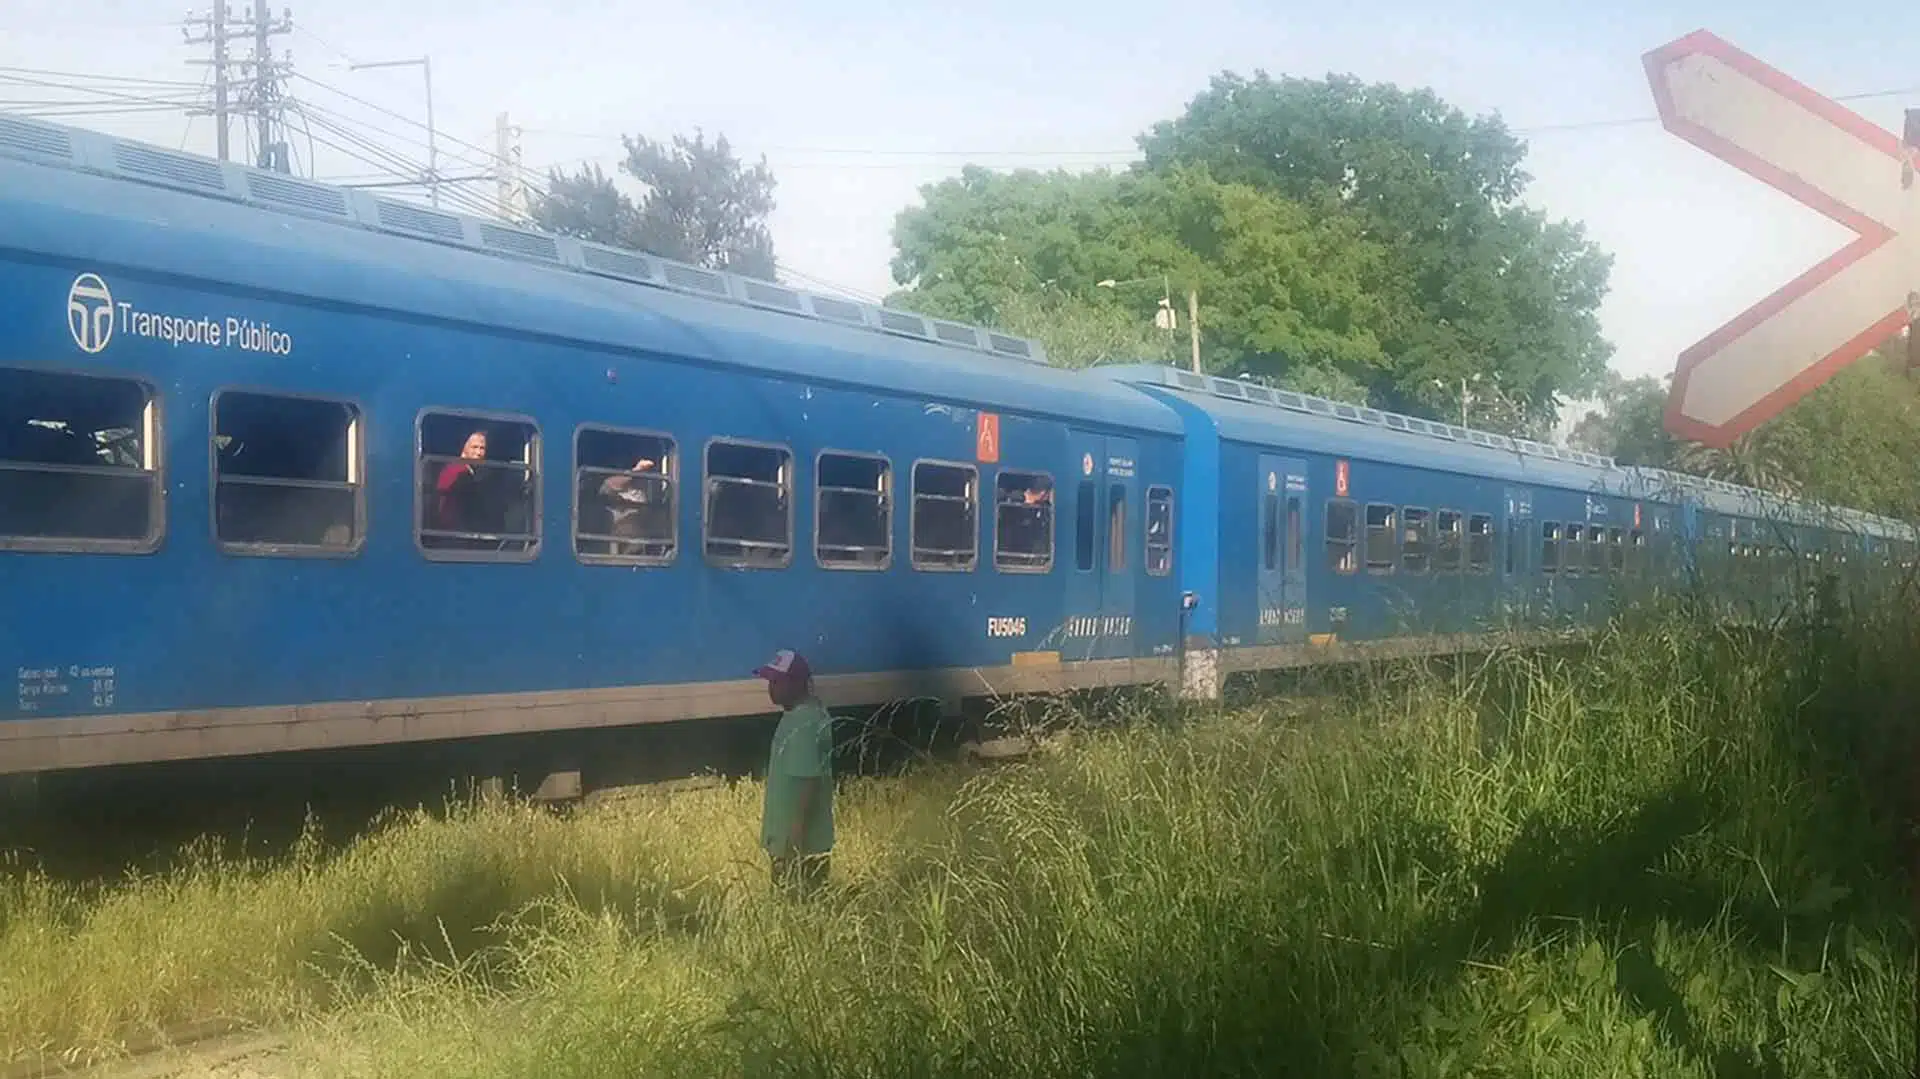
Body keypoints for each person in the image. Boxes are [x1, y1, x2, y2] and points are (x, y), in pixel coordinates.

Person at [754, 649, 835, 898]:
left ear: (799, 683)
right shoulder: (800, 715)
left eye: (778, 681)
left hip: (798, 847)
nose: (772, 688)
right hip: (793, 842)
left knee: (799, 903)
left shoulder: (804, 723)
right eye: (770, 681)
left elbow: (806, 782)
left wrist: (793, 839)